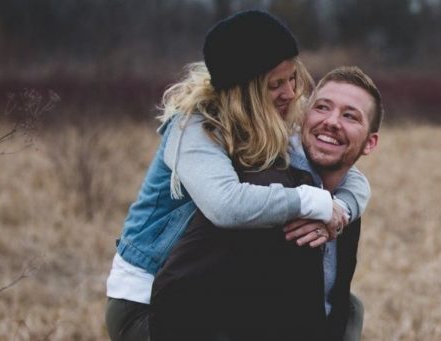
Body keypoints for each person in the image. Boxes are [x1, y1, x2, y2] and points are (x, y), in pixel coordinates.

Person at [104, 11, 370, 341]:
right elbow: (225, 205)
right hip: (150, 303)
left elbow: (351, 177)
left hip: (205, 288)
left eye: (293, 79)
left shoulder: (277, 118)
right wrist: (311, 201)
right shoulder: (195, 128)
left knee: (345, 308)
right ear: (244, 91)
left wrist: (337, 212)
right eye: (275, 85)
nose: (290, 93)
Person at [150, 66, 384, 340]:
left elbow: (328, 301)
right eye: (322, 107)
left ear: (370, 143)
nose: (332, 121)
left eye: (349, 116)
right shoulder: (265, 190)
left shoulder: (342, 203)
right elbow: (179, 289)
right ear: (303, 117)